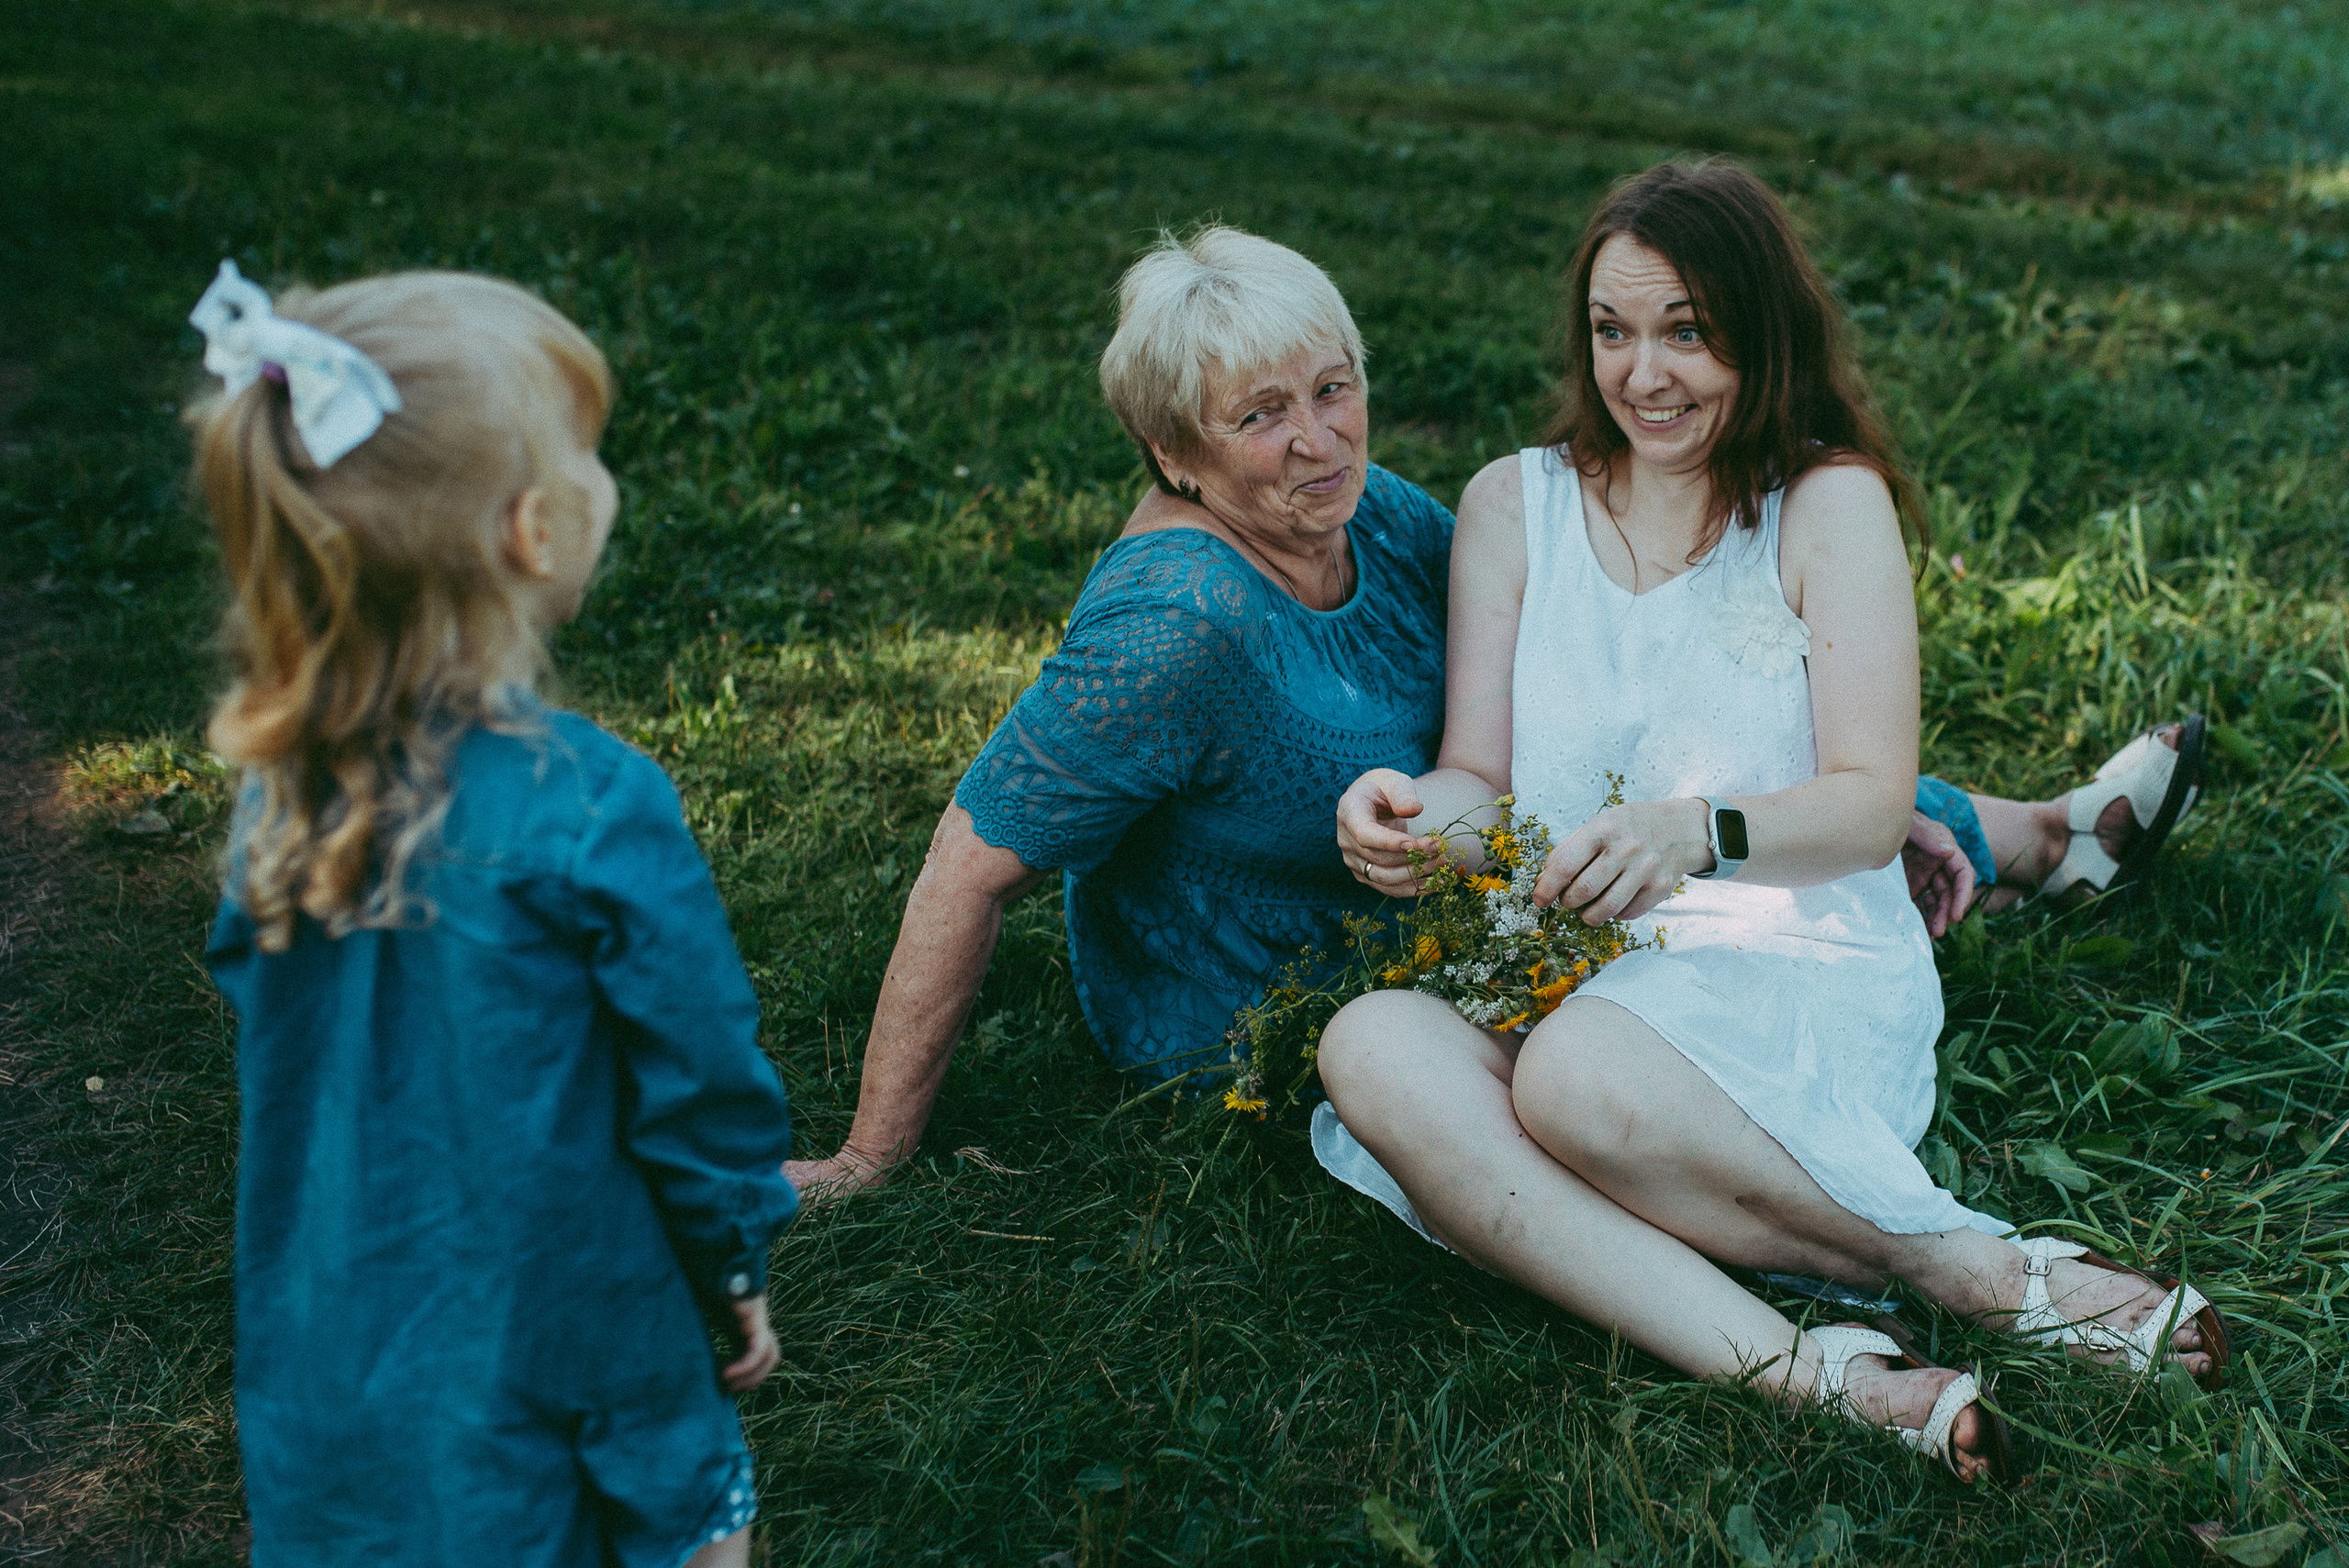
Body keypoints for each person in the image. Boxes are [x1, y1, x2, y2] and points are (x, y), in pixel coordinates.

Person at [785, 224, 2207, 1209]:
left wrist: (1830, 835)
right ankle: (2020, 840)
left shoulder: (1372, 514)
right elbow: (970, 862)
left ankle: (2022, 834)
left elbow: (1589, 726)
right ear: (1173, 451)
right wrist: (870, 1152)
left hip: (1486, 890)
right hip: (1265, 1002)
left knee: (1679, 726)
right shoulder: (1174, 628)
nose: (1323, 438)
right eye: (1261, 416)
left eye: (1335, 388)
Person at [1319, 161, 2227, 1485]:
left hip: (1786, 955)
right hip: (1567, 964)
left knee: (1570, 1079)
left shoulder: (1824, 504)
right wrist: (1410, 822)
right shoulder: (1515, 507)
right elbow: (1480, 780)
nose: (1646, 375)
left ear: (1762, 330)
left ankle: (1965, 1268)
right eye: (1614, 331)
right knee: (1372, 1045)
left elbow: (1868, 808)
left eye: (1689, 329)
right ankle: (1825, 1374)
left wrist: (1697, 832)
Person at [190, 262, 798, 1566]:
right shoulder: (593, 808)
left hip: (339, 1334)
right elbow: (701, 1084)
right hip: (573, 1310)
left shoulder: (279, 801)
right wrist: (731, 1261)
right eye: (589, 449)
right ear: (533, 530)